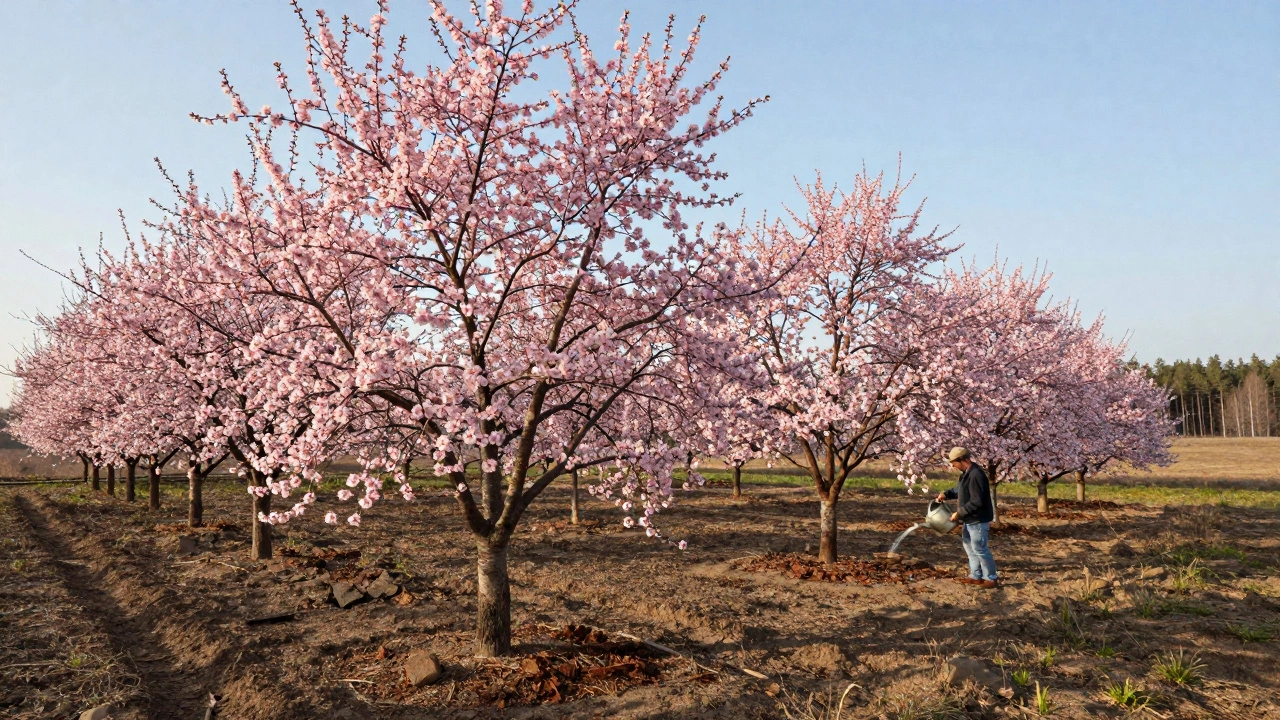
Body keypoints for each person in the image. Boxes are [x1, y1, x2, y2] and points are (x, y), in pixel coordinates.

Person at [935, 446, 999, 589]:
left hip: (978, 519)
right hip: (970, 519)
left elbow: (977, 501)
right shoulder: (966, 474)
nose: (952, 465)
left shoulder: (976, 475)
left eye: (954, 462)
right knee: (970, 548)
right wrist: (946, 494)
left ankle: (991, 578)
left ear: (962, 460)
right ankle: (975, 576)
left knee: (980, 549)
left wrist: (959, 513)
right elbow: (959, 490)